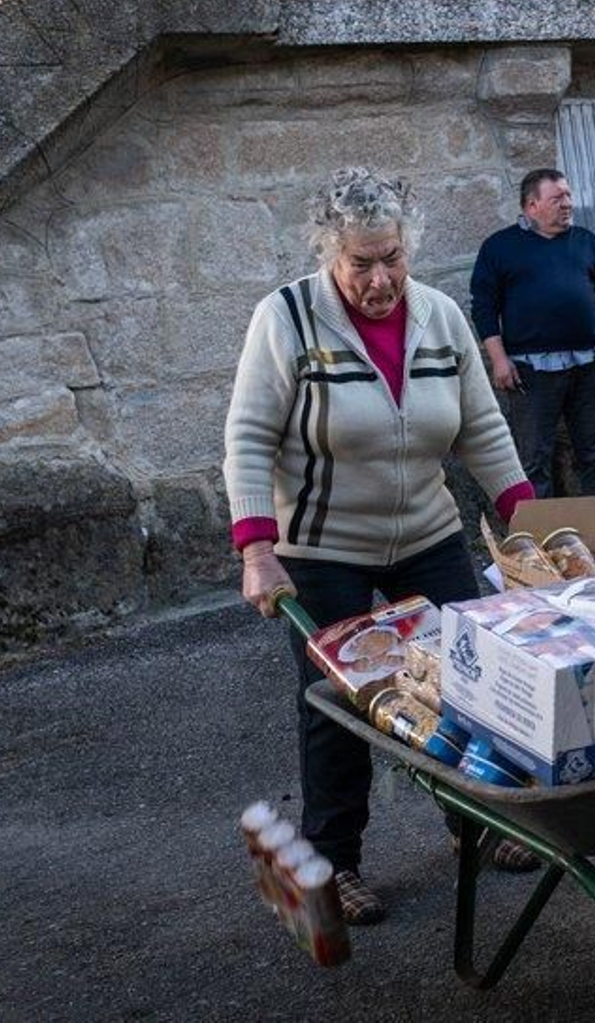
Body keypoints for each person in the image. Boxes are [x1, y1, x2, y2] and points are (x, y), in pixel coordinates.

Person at [223, 168, 541, 927]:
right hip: (323, 542)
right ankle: (337, 864)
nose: (379, 278)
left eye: (391, 257)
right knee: (342, 705)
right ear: (331, 254)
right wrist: (256, 550)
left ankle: (481, 822)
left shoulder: (438, 315)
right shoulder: (287, 317)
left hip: (426, 531)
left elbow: (481, 429)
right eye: (360, 261)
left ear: (409, 249)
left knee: (466, 680)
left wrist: (527, 518)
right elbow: (248, 437)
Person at [470, 168, 595, 498]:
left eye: (568, 195)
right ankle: (543, 544)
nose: (567, 203)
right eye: (557, 198)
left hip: (588, 362)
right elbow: (484, 308)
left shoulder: (586, 241)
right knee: (534, 461)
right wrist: (499, 360)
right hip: (531, 371)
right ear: (531, 206)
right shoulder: (500, 247)